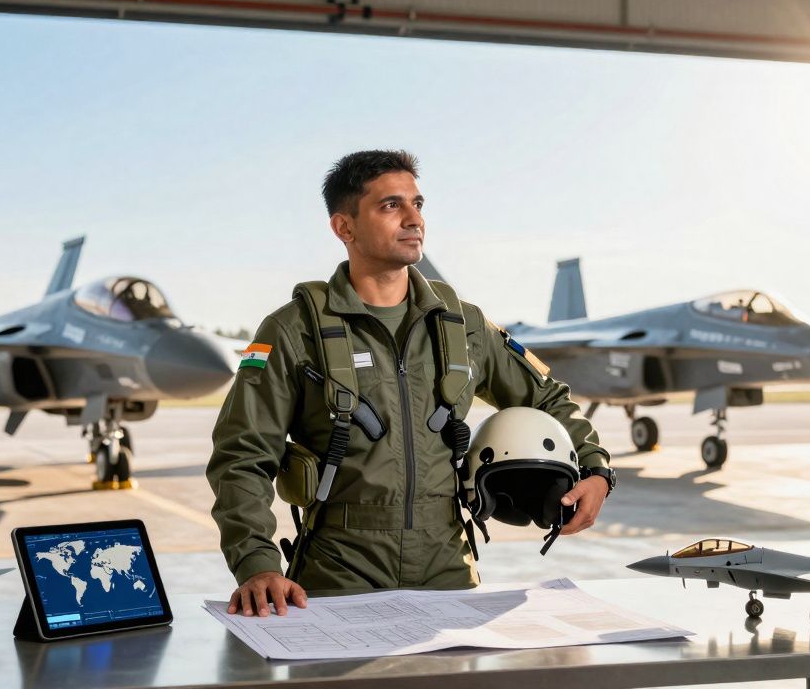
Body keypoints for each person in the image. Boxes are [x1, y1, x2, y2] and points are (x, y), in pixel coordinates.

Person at [206, 149, 613, 618]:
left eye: (417, 204)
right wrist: (257, 564)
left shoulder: (463, 324)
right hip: (339, 566)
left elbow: (547, 397)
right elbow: (242, 455)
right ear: (344, 227)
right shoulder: (295, 329)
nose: (413, 219)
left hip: (447, 565)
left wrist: (596, 469)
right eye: (390, 206)